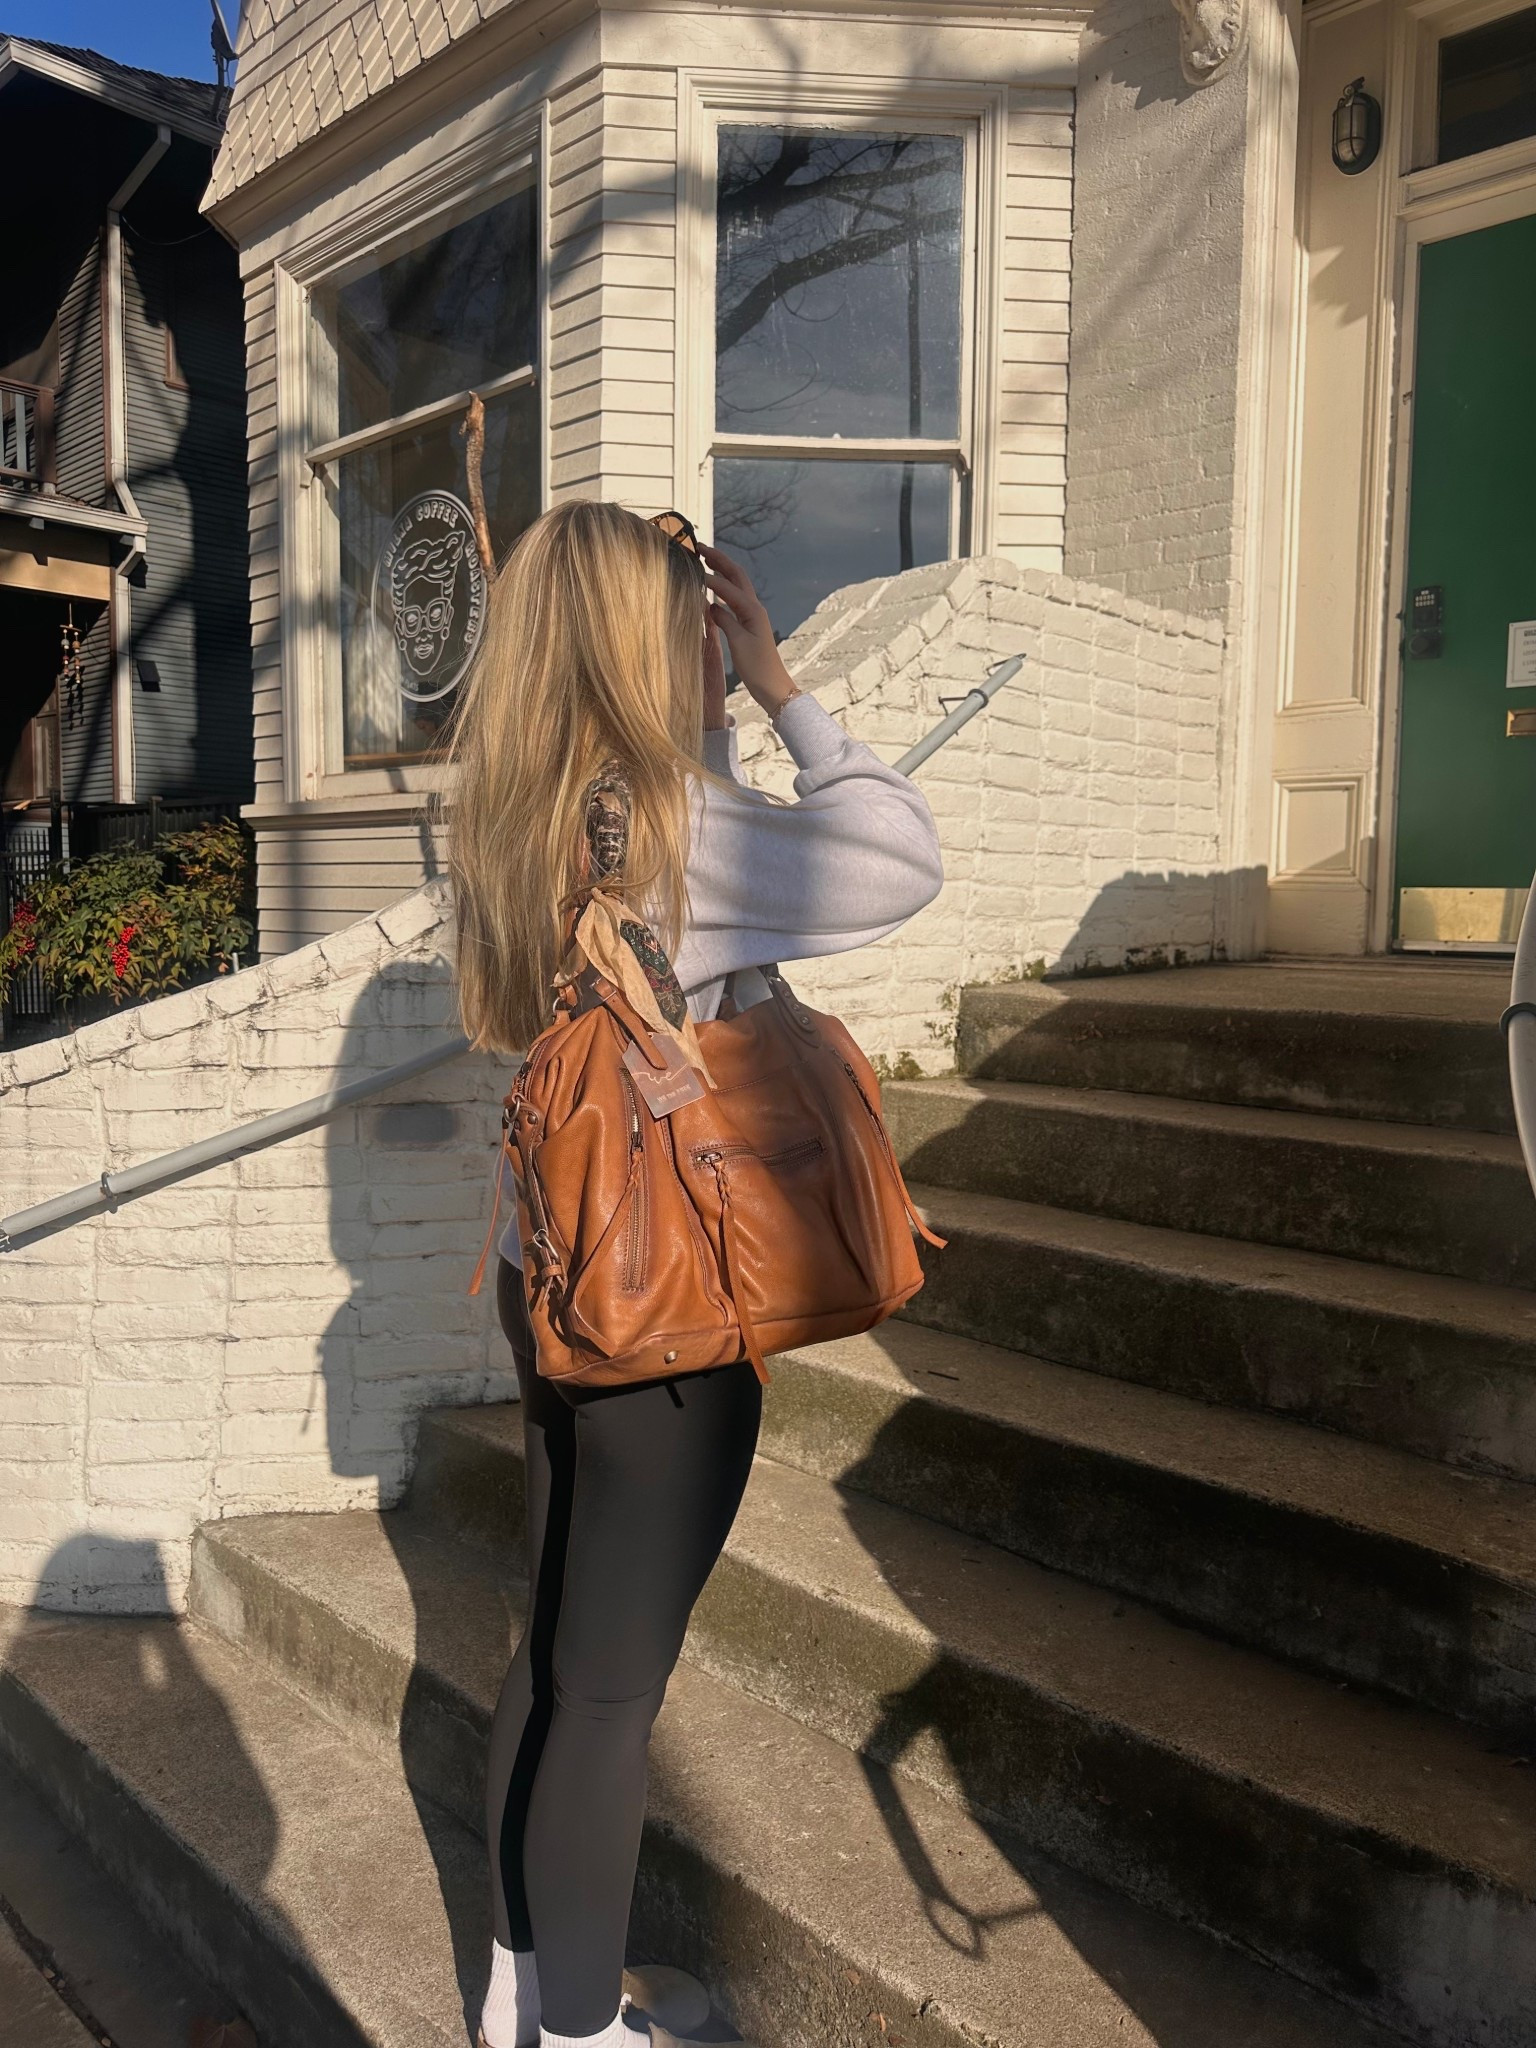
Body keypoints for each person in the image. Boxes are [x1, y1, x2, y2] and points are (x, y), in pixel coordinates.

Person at [448, 500, 943, 2048]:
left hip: (562, 1283)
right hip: (669, 1315)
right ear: (645, 640)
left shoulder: (519, 812)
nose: (712, 658)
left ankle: (521, 1994)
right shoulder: (680, 825)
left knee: (553, 1655)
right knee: (611, 1695)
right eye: (693, 632)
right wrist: (787, 689)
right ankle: (587, 2036)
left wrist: (709, 713)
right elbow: (896, 859)